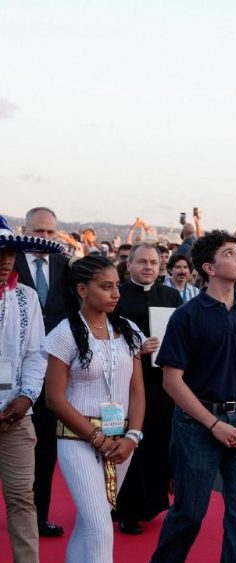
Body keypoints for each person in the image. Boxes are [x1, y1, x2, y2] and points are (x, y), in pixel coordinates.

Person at [151, 230, 236, 563]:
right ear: (209, 267)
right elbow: (171, 382)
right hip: (196, 424)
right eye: (230, 253)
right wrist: (213, 424)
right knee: (188, 514)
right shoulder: (187, 316)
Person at [43, 255, 146, 562]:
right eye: (105, 286)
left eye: (117, 286)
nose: (116, 293)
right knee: (101, 528)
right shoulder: (64, 333)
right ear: (82, 289)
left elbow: (136, 389)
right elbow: (54, 399)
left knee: (91, 523)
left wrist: (133, 436)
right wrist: (97, 438)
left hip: (121, 443)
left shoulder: (129, 330)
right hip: (78, 440)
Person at [0, 215, 61, 563]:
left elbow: (37, 353)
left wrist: (27, 396)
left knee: (23, 498)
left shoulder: (26, 297)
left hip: (16, 418)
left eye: (10, 252)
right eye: (0, 252)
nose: (6, 259)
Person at [112, 243, 183, 535]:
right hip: (126, 382)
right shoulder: (117, 296)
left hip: (163, 384)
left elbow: (182, 334)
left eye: (153, 262)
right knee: (130, 445)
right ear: (129, 265)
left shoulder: (171, 296)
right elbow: (104, 335)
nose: (149, 267)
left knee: (157, 445)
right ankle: (126, 509)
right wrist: (136, 349)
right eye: (142, 262)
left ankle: (151, 504)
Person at [14, 206, 70, 538]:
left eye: (50, 232)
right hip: (12, 366)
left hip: (54, 371)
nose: (44, 238)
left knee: (45, 448)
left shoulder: (66, 268)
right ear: (25, 229)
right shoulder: (9, 262)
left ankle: (38, 518)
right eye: (38, 231)